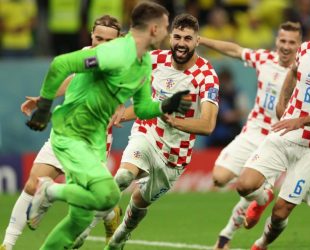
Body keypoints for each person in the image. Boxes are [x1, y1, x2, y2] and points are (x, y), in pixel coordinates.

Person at [25, 2, 191, 250]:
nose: (168, 35)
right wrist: (45, 105)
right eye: (167, 27)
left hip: (94, 140)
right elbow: (61, 64)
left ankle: (49, 195)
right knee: (109, 196)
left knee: (81, 217)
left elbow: (144, 108)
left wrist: (166, 105)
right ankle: (48, 191)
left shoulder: (144, 62)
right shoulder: (113, 53)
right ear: (154, 29)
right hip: (71, 134)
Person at [76, 13, 219, 250]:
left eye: (187, 38)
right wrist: (119, 108)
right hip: (147, 133)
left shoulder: (206, 76)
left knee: (139, 204)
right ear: (170, 38)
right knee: (123, 177)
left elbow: (207, 124)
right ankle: (84, 229)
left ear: (196, 41)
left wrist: (175, 121)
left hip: (175, 155)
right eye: (177, 37)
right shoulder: (154, 59)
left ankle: (121, 236)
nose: (181, 43)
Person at [0, 14, 122, 250]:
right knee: (32, 184)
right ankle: (7, 244)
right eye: (99, 38)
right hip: (65, 133)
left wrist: (119, 107)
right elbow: (73, 78)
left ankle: (110, 213)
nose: (102, 45)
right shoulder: (87, 53)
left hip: (92, 140)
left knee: (91, 200)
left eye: (109, 41)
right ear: (91, 37)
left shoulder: (121, 65)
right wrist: (44, 99)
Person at [235, 2, 310, 249]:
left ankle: (262, 243)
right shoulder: (306, 49)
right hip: (286, 132)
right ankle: (262, 196)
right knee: (244, 185)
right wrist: (283, 100)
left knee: (281, 211)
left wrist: (303, 120)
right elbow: (294, 72)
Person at [199, 21, 302, 250]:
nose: (286, 46)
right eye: (282, 40)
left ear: (299, 45)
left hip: (277, 140)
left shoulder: (304, 72)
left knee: (245, 188)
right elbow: (235, 50)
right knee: (219, 178)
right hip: (253, 132)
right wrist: (202, 40)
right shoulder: (264, 59)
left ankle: (224, 238)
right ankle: (263, 196)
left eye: (291, 42)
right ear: (277, 41)